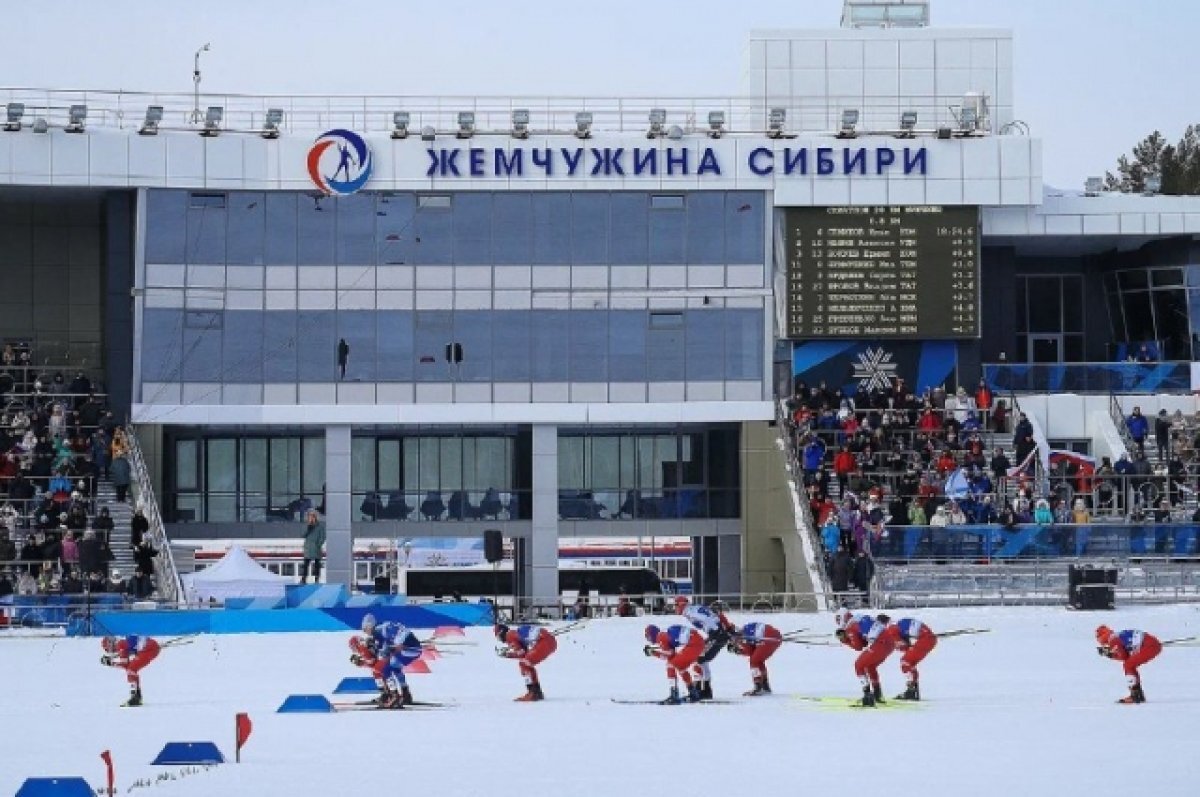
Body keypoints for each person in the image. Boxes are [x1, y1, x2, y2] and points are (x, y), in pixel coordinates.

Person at [350, 614, 423, 709]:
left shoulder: (381, 629)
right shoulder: (381, 629)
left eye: (365, 629)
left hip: (408, 649)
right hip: (412, 650)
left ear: (369, 626)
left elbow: (404, 632)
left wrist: (398, 643)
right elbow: (381, 654)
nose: (365, 632)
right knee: (394, 667)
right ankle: (405, 694)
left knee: (384, 668)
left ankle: (394, 696)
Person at [673, 595, 736, 700]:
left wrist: (717, 630)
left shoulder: (689, 612)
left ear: (681, 605)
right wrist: (727, 628)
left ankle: (700, 688)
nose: (674, 608)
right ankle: (705, 689)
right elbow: (716, 614)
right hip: (717, 633)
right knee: (702, 659)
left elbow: (707, 618)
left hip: (716, 634)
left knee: (699, 658)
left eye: (675, 605)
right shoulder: (693, 608)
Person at [835, 608, 897, 707]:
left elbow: (858, 646)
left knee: (858, 665)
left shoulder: (850, 626)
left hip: (879, 643)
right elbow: (864, 640)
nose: (838, 622)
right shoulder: (860, 618)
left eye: (838, 619)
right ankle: (877, 694)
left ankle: (867, 695)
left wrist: (845, 640)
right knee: (870, 666)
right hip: (890, 643)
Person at [1095, 625, 1162, 704]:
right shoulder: (1116, 636)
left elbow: (1123, 656)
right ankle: (1137, 695)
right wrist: (1111, 652)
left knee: (1128, 665)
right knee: (1129, 664)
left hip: (1149, 645)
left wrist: (1109, 654)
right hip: (1150, 643)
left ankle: (1136, 696)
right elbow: (1126, 654)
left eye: (1098, 637)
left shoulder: (1113, 640)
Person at [643, 623, 704, 704]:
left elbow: (668, 655)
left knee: (670, 664)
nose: (649, 640)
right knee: (680, 667)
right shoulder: (664, 633)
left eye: (648, 637)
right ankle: (693, 693)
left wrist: (653, 653)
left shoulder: (660, 637)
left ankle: (674, 695)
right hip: (697, 642)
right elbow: (671, 655)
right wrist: (654, 652)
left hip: (693, 644)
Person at [495, 622, 557, 702]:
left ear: (501, 633)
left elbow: (521, 653)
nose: (500, 640)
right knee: (526, 663)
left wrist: (507, 654)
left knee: (523, 664)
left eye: (498, 637)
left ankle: (532, 693)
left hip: (544, 642)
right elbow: (524, 653)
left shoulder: (509, 636)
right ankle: (536, 692)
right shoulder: (514, 633)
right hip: (548, 641)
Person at [101, 634, 161, 707]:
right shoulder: (122, 642)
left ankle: (135, 697)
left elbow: (125, 664)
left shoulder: (120, 645)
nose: (110, 651)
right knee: (131, 669)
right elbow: (127, 663)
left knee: (131, 669)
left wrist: (111, 663)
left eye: (107, 648)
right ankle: (137, 696)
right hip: (150, 647)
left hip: (148, 649)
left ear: (111, 644)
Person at [727, 621, 783, 696]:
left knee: (754, 660)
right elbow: (752, 652)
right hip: (773, 635)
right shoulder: (745, 631)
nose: (733, 642)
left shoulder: (741, 636)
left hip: (768, 637)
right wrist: (739, 650)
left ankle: (758, 686)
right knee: (757, 660)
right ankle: (764, 686)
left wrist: (738, 651)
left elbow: (749, 651)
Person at [891, 617, 938, 700]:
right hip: (928, 638)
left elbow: (902, 645)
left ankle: (911, 691)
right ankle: (914, 691)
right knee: (910, 663)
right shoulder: (900, 624)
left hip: (925, 639)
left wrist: (898, 646)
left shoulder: (891, 629)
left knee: (905, 661)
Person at [300, 509, 325, 584]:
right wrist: (308, 527)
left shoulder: (320, 526)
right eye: (309, 516)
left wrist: (319, 544)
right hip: (308, 548)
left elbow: (322, 537)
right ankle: (303, 579)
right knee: (306, 564)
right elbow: (302, 535)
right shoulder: (307, 526)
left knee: (317, 564)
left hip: (316, 547)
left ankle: (316, 579)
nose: (311, 518)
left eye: (312, 516)